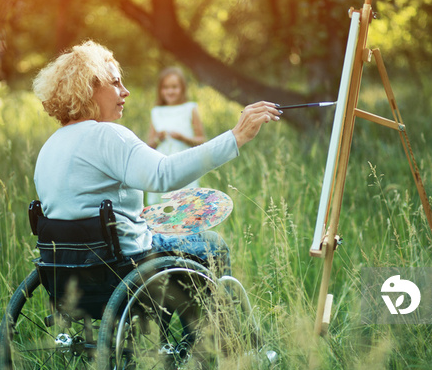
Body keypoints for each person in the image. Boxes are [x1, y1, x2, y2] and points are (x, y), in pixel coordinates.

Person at [32, 40, 281, 274]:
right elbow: (164, 174)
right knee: (211, 244)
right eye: (116, 83)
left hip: (69, 269)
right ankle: (214, 321)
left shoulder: (49, 147)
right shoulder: (106, 135)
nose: (125, 91)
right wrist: (236, 136)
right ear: (90, 88)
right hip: (123, 262)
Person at [146, 67, 206, 205]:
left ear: (182, 88)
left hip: (185, 166)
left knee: (186, 204)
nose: (170, 91)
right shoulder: (157, 112)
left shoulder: (190, 108)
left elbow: (202, 140)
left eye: (174, 87)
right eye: (166, 87)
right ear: (160, 90)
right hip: (163, 168)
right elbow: (149, 146)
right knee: (164, 205)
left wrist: (183, 138)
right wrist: (158, 138)